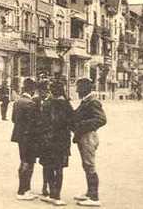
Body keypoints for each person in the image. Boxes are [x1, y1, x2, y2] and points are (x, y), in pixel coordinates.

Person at [72, 78, 107, 207]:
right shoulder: (86, 101)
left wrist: (81, 125)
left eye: (78, 87)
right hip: (84, 136)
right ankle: (89, 193)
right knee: (87, 165)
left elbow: (101, 119)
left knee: (89, 165)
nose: (76, 90)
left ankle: (94, 197)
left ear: (85, 88)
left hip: (88, 136)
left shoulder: (92, 102)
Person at [39, 80, 74, 206]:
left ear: (52, 90)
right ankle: (57, 195)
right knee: (59, 168)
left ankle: (52, 192)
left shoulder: (47, 104)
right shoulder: (67, 104)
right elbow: (72, 123)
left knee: (48, 166)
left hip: (48, 141)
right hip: (63, 141)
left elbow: (42, 122)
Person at [11, 78, 38, 200]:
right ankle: (23, 190)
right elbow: (34, 123)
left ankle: (23, 189)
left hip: (20, 136)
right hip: (29, 137)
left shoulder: (18, 102)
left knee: (23, 161)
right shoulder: (30, 103)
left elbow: (13, 119)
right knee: (28, 162)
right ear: (32, 89)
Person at [34, 79, 52, 199]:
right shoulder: (35, 101)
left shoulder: (52, 101)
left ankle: (48, 185)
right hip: (39, 136)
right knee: (43, 163)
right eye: (42, 90)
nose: (44, 92)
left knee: (50, 163)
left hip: (50, 136)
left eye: (46, 90)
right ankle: (45, 185)